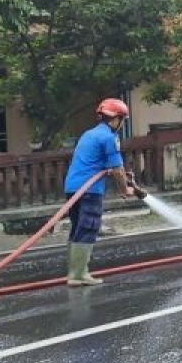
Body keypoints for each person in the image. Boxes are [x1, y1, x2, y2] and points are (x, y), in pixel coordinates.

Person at [62, 98, 145, 287]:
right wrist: (125, 190)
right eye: (122, 120)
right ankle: (77, 275)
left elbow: (102, 166)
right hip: (89, 190)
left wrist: (123, 179)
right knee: (89, 227)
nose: (122, 124)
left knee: (77, 229)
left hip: (72, 187)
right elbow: (117, 168)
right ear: (116, 119)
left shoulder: (88, 134)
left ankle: (75, 272)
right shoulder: (109, 137)